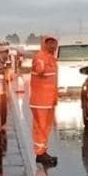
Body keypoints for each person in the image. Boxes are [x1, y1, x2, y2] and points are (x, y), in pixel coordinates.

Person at [30, 36, 59, 167]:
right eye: (49, 43)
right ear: (44, 44)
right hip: (40, 101)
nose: (52, 46)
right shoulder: (40, 57)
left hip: (48, 100)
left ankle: (43, 152)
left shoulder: (51, 58)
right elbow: (40, 70)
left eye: (54, 43)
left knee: (46, 128)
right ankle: (40, 154)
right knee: (40, 127)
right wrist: (42, 61)